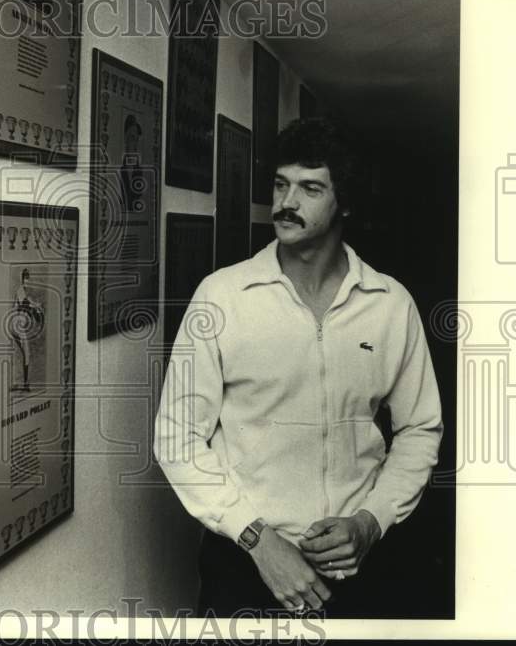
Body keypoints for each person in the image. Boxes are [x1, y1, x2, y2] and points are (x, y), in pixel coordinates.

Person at [153, 117, 443, 618]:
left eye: (310, 188)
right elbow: (176, 438)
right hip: (244, 562)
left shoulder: (391, 304)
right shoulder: (221, 297)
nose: (287, 203)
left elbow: (420, 428)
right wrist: (257, 538)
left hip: (358, 563)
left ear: (345, 202)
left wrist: (371, 522)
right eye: (281, 184)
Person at [10, 268, 44, 391]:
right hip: (16, 323)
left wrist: (37, 308)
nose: (27, 281)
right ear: (22, 279)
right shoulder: (20, 290)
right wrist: (34, 307)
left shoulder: (25, 293)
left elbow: (30, 304)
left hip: (19, 325)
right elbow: (24, 303)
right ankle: (24, 384)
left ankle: (22, 383)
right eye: (25, 278)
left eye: (28, 279)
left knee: (24, 353)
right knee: (25, 353)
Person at [119, 114, 145, 214]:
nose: (135, 146)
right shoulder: (118, 170)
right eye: (132, 138)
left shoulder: (139, 171)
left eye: (137, 140)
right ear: (125, 139)